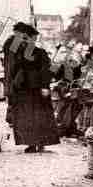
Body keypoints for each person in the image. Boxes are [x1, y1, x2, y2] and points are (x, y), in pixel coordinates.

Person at [9, 23, 59, 153]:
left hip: (37, 88)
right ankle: (30, 142)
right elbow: (13, 68)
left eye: (26, 38)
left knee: (39, 116)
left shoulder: (40, 53)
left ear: (32, 39)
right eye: (20, 38)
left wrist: (44, 86)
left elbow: (46, 70)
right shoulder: (16, 52)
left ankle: (40, 141)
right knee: (26, 117)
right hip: (23, 88)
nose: (23, 41)